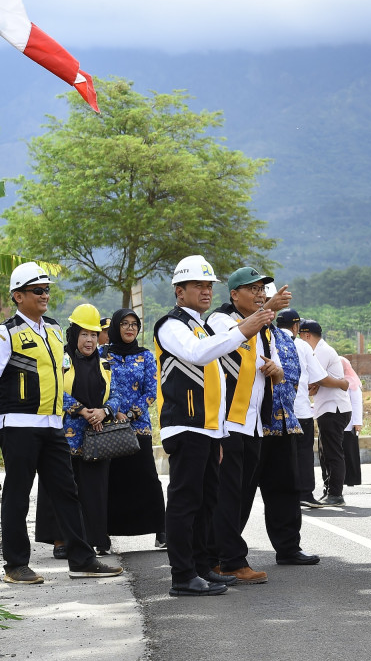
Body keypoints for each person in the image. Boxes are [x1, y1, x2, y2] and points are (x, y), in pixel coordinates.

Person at [0, 262, 122, 584]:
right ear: (18, 296)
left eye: (47, 290)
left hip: (52, 425)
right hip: (18, 424)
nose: (45, 295)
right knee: (18, 492)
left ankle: (81, 559)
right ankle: (15, 565)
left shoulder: (55, 329)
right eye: (37, 290)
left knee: (66, 491)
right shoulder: (6, 333)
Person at [208, 268, 318, 581]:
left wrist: (276, 370)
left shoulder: (271, 331)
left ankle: (236, 553)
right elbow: (233, 341)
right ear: (233, 294)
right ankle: (226, 558)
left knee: (266, 491)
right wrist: (269, 308)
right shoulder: (222, 319)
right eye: (251, 289)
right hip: (231, 422)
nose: (259, 293)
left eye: (262, 288)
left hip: (265, 421)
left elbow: (283, 371)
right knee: (231, 495)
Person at [154, 255, 254, 596]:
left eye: (209, 285)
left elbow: (218, 381)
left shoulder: (201, 325)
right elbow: (197, 354)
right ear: (179, 291)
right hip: (185, 425)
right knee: (185, 504)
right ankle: (182, 576)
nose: (206, 291)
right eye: (198, 285)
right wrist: (242, 330)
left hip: (210, 429)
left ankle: (200, 568)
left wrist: (221, 433)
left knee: (206, 501)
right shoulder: (171, 325)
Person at [37, 304, 120, 557]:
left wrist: (104, 411)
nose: (89, 340)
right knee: (63, 487)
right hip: (64, 437)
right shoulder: (61, 360)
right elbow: (55, 390)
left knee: (94, 489)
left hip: (97, 436)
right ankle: (62, 540)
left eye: (94, 335)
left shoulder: (104, 363)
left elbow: (116, 395)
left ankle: (94, 538)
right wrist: (82, 410)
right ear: (74, 334)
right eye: (84, 334)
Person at [104, 308, 166, 548]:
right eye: (125, 324)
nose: (130, 328)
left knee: (147, 477)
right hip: (107, 426)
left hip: (138, 428)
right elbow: (99, 385)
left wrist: (130, 415)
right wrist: (112, 411)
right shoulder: (102, 354)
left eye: (134, 324)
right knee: (109, 480)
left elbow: (152, 392)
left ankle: (161, 531)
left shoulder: (146, 356)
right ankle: (104, 534)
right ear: (115, 327)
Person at [275, 308, 348, 508]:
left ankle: (283, 495)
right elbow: (319, 376)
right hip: (299, 410)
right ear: (296, 326)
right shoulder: (301, 345)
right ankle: (305, 493)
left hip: (275, 411)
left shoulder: (269, 340)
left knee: (280, 455)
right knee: (303, 454)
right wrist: (342, 383)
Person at [299, 319, 351, 507]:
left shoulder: (320, 351)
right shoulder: (320, 349)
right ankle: (329, 491)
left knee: (332, 453)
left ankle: (336, 494)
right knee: (325, 453)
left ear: (306, 335)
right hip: (327, 408)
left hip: (333, 409)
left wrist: (317, 385)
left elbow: (318, 379)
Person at [340, 356, 363, 487]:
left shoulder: (353, 383)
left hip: (350, 425)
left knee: (350, 452)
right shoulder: (337, 381)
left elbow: (357, 404)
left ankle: (352, 479)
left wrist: (357, 423)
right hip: (339, 423)